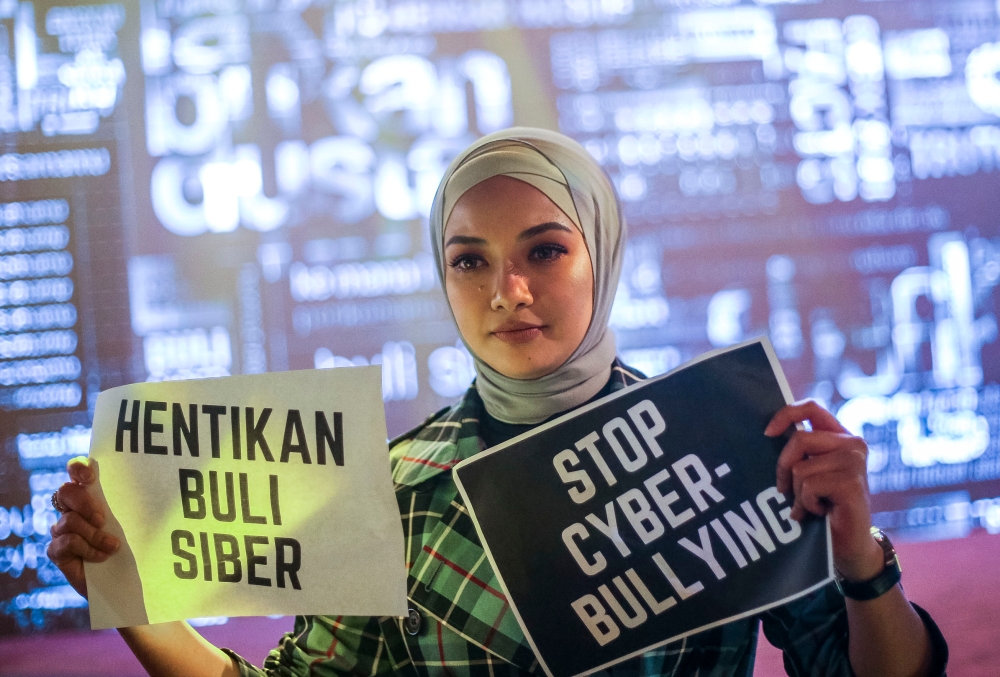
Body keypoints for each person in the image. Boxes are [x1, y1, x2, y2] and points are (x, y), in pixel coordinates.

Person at [47, 128, 947, 677]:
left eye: (545, 250)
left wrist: (859, 557)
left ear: (602, 252)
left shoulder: (722, 445)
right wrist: (129, 599)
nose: (507, 291)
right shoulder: (394, 490)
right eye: (469, 260)